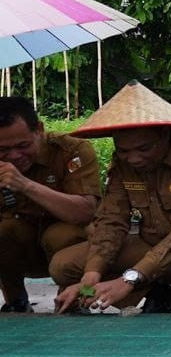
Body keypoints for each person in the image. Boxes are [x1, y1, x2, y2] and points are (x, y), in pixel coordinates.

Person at [49, 82, 171, 314]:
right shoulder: (121, 165)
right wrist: (91, 275)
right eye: (124, 151)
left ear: (164, 135)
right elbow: (111, 222)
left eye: (144, 149)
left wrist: (129, 279)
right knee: (64, 266)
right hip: (150, 243)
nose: (134, 159)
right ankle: (157, 292)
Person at [0, 97, 100, 312]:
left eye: (23, 145)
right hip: (21, 248)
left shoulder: (72, 150)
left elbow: (85, 212)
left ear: (39, 129)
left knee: (61, 234)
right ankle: (16, 302)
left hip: (69, 249)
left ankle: (72, 299)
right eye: (3, 150)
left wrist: (25, 185)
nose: (14, 156)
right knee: (4, 230)